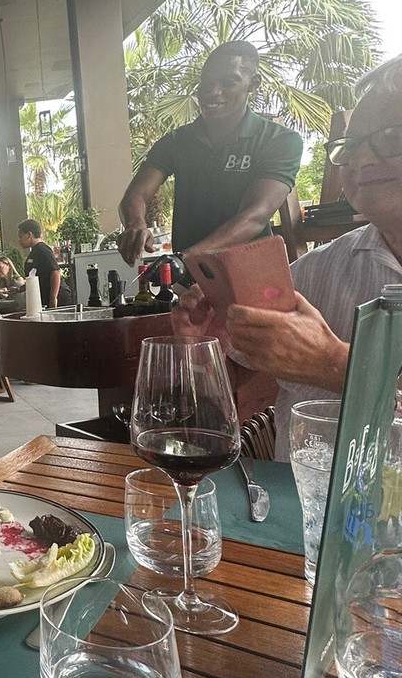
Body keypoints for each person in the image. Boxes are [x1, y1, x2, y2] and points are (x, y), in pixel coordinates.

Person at [173, 54, 402, 460]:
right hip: (294, 498)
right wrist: (204, 349)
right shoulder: (312, 272)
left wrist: (333, 365)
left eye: (390, 136)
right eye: (350, 145)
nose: (361, 159)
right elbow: (238, 384)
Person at [117, 41, 303, 267]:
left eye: (229, 82)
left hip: (253, 273)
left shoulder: (279, 140)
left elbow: (255, 216)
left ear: (253, 83)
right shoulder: (176, 141)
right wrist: (135, 224)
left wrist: (187, 258)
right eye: (206, 83)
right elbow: (135, 195)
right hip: (192, 277)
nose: (213, 92)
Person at [17, 219, 71, 308]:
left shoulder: (43, 250)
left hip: (57, 296)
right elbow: (36, 278)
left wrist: (53, 298)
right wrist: (19, 289)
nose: (19, 240)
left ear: (29, 235)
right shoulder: (34, 252)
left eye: (21, 237)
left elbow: (55, 272)